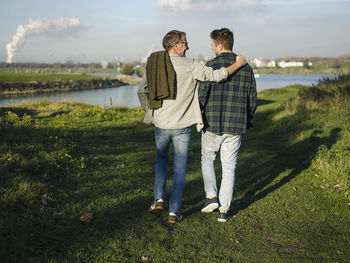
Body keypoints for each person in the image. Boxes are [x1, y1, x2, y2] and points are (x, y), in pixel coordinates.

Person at [138, 30, 246, 224]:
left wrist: (151, 112)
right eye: (185, 43)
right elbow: (217, 76)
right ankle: (174, 212)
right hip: (183, 125)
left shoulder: (154, 63)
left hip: (161, 123)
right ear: (176, 45)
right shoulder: (191, 65)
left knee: (161, 160)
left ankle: (159, 198)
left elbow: (141, 90)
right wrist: (238, 64)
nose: (188, 46)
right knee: (180, 168)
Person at [198, 28, 257, 222]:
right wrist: (246, 119)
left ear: (220, 45)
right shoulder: (246, 68)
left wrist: (200, 116)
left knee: (207, 159)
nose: (212, 48)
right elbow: (252, 100)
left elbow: (201, 96)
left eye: (213, 44)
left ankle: (211, 197)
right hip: (236, 125)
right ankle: (224, 211)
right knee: (229, 168)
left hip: (212, 123)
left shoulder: (210, 66)